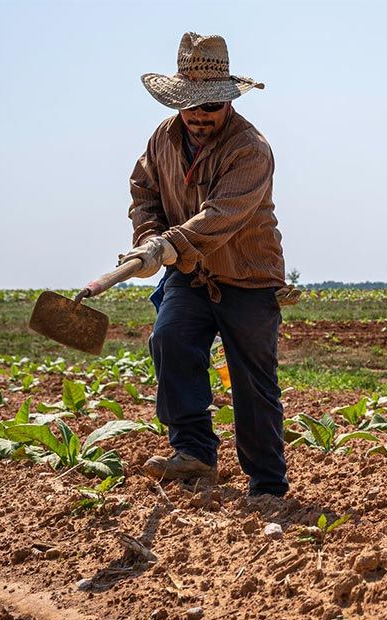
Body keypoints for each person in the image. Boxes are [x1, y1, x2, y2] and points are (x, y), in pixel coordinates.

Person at [121, 32, 299, 497]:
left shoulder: (250, 149)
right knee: (170, 338)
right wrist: (146, 239)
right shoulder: (162, 139)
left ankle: (266, 485)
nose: (201, 116)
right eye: (192, 106)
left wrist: (165, 245)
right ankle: (195, 452)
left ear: (228, 104)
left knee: (251, 381)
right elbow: (145, 192)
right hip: (190, 273)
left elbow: (221, 217)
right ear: (177, 102)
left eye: (212, 106)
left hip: (248, 277)